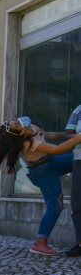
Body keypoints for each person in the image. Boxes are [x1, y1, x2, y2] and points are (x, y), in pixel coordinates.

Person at [0, 117, 81, 255]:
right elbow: (57, 149)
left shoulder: (32, 127)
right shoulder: (28, 143)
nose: (20, 121)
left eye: (15, 120)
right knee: (55, 205)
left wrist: (67, 135)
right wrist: (78, 138)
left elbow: (48, 135)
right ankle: (40, 243)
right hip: (42, 171)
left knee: (76, 160)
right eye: (17, 124)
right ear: (18, 133)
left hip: (51, 162)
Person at [64, 106, 81, 257]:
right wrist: (78, 137)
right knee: (77, 203)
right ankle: (79, 243)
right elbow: (67, 135)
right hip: (79, 160)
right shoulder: (78, 110)